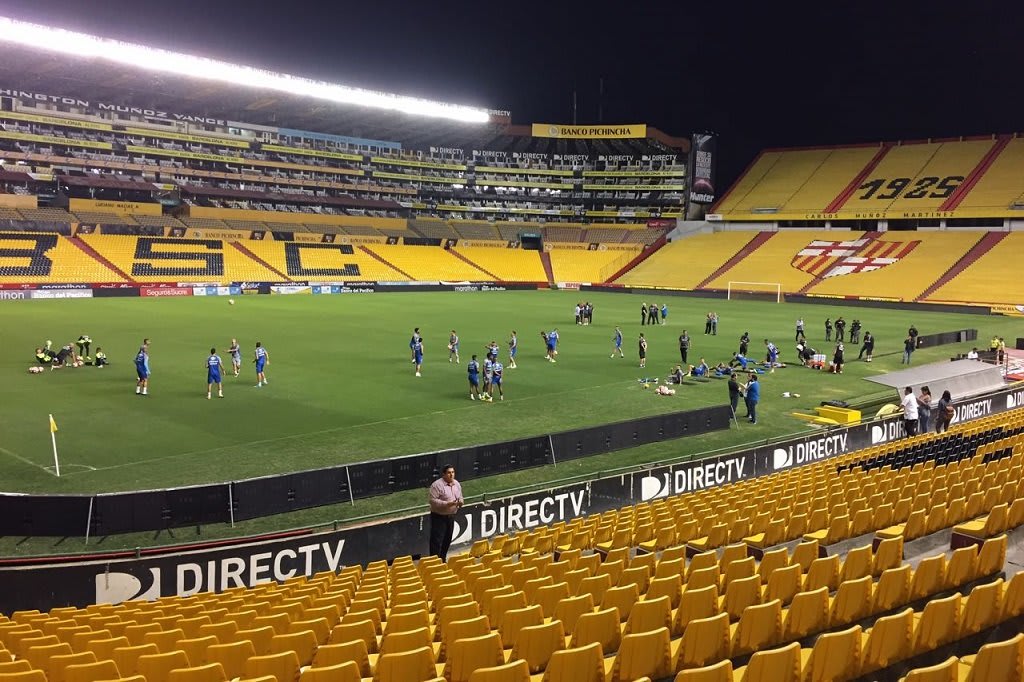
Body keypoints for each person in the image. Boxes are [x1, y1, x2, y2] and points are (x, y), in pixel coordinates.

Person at [428, 465, 463, 561]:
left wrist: (461, 502)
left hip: (451, 517)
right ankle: (434, 562)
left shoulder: (457, 484)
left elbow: (460, 496)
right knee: (436, 541)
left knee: (447, 539)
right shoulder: (436, 485)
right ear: (443, 474)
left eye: (453, 472)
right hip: (438, 517)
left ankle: (443, 560)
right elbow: (432, 501)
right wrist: (447, 504)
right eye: (449, 472)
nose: (451, 475)